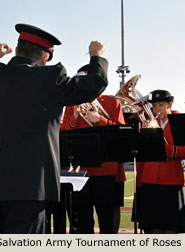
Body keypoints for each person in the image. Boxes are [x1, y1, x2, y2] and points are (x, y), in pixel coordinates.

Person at [0, 23, 108, 234]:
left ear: (17, 49)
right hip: (30, 186)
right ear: (45, 57)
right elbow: (95, 83)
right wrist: (96, 57)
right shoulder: (51, 78)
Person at [61, 65, 126, 233]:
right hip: (80, 171)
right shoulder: (72, 104)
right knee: (82, 219)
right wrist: (75, 117)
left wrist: (100, 119)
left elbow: (121, 135)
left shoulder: (112, 103)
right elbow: (65, 134)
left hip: (105, 169)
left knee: (106, 218)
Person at [138, 90, 185, 234]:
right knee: (152, 228)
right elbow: (142, 151)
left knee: (171, 228)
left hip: (171, 181)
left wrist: (161, 146)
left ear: (170, 104)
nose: (156, 110)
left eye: (160, 105)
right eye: (154, 106)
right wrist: (144, 135)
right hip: (150, 180)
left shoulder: (180, 122)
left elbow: (183, 152)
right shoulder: (150, 123)